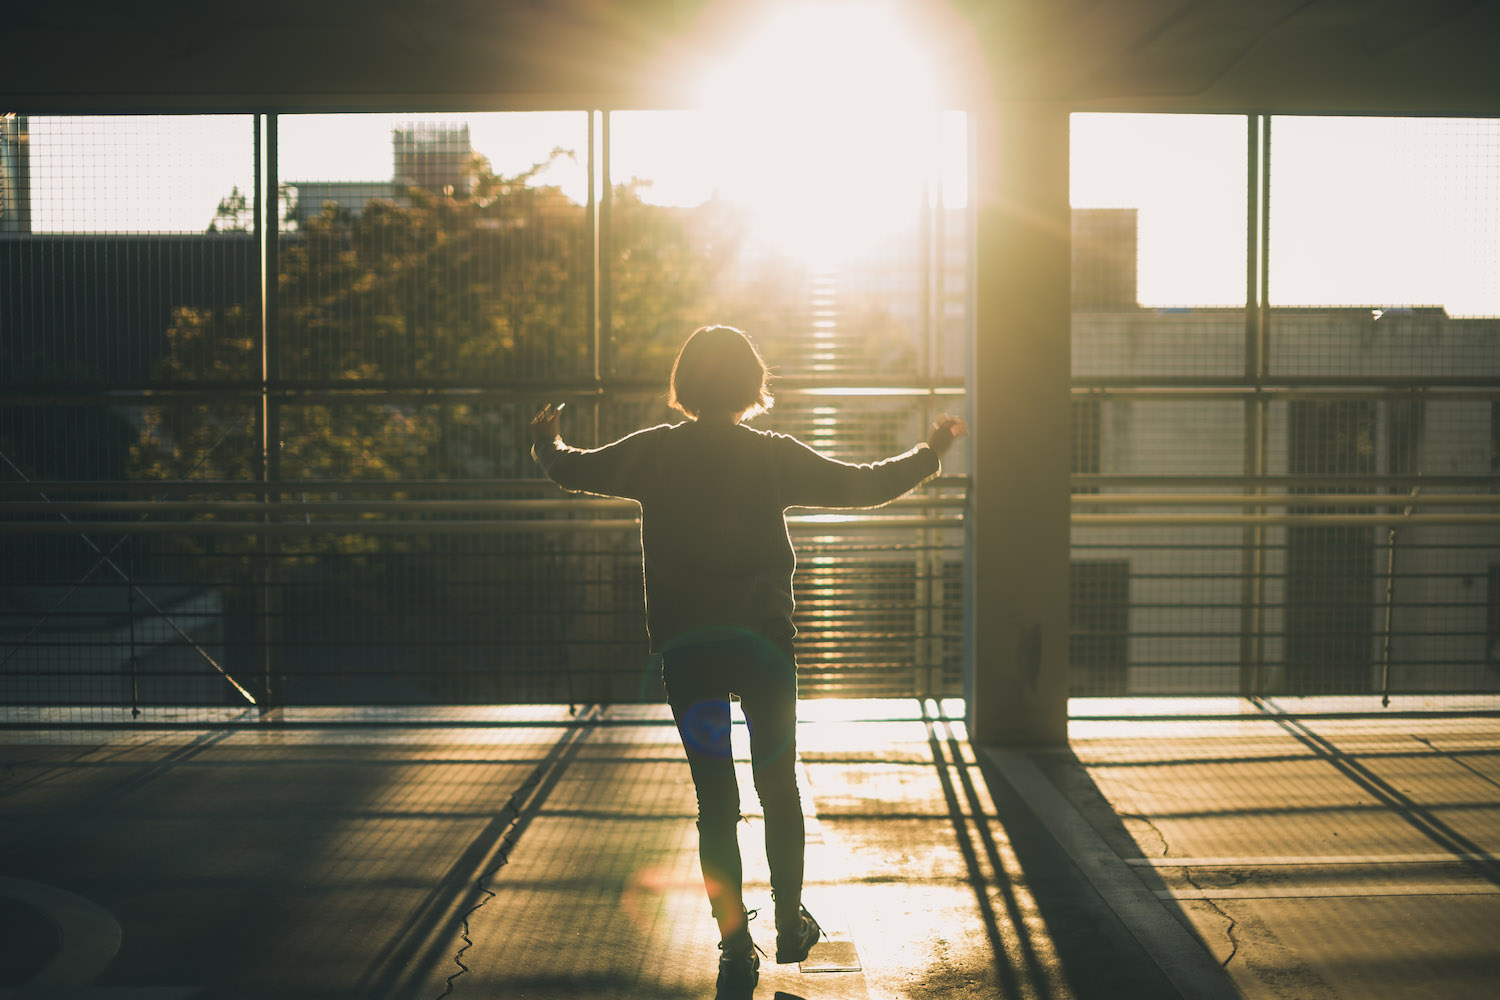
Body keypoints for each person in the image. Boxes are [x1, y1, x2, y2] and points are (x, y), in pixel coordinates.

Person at [531, 324, 966, 999]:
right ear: (750, 383)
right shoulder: (772, 455)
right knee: (779, 787)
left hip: (689, 648)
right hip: (764, 642)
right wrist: (929, 451)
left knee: (716, 805)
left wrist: (546, 440)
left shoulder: (653, 453)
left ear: (685, 384)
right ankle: (790, 921)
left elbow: (571, 470)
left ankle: (736, 947)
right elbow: (861, 487)